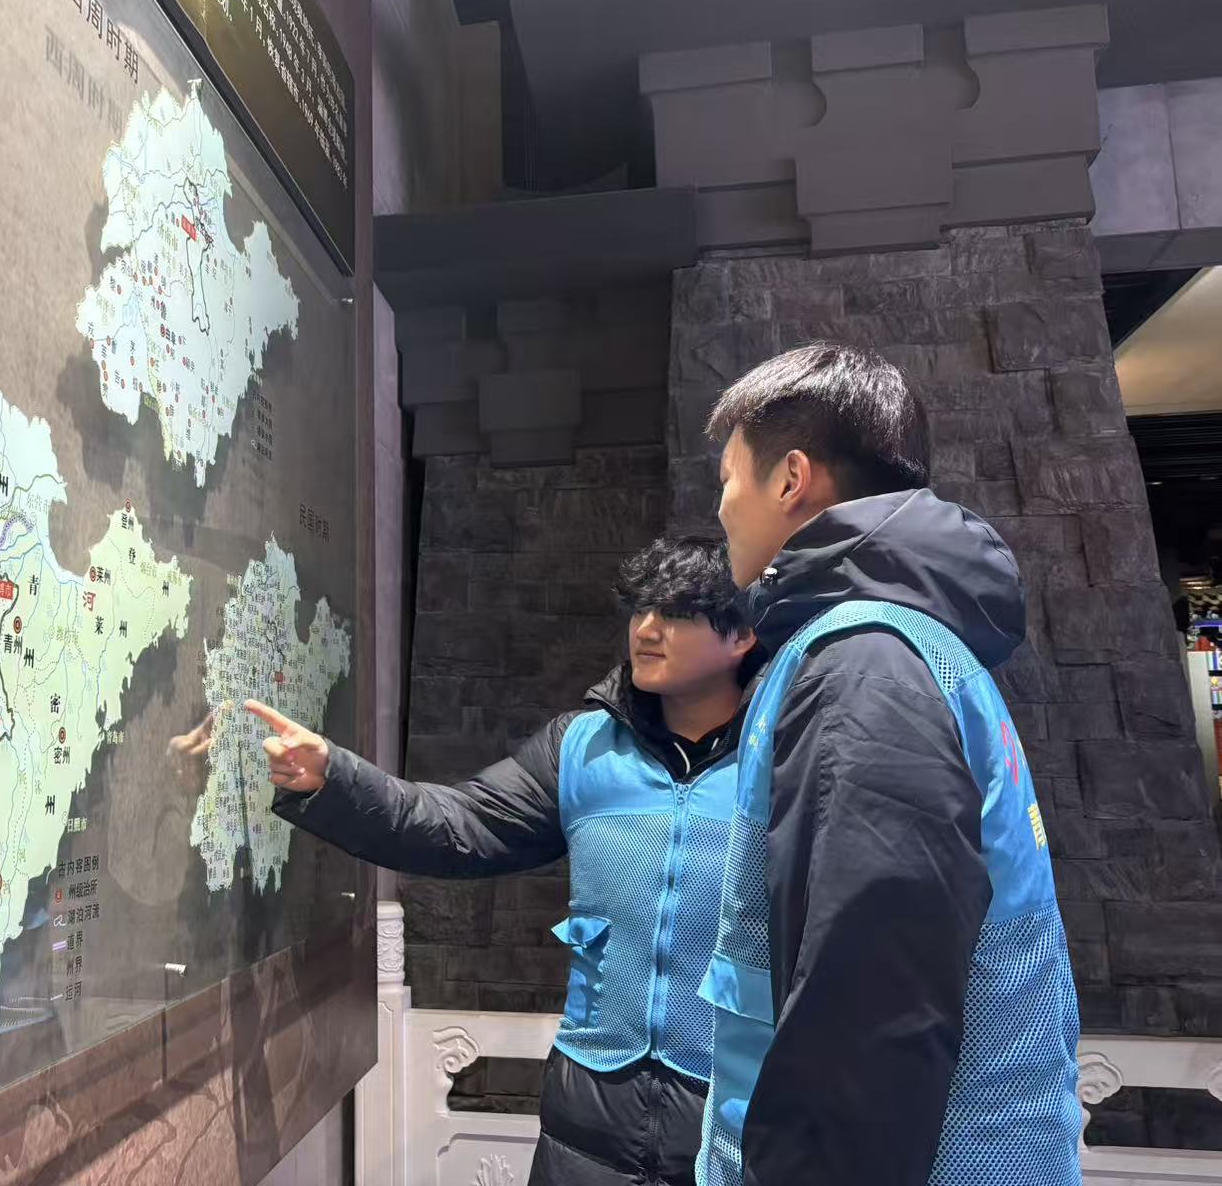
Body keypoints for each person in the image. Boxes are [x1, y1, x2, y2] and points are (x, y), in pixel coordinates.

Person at [243, 538, 761, 1186]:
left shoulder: (785, 755)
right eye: (639, 608)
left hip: (735, 1117)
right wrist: (333, 779)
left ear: (742, 635)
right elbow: (459, 824)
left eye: (677, 613)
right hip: (588, 1112)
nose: (646, 630)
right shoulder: (581, 748)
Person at [698, 343, 1082, 1186]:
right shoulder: (910, 648)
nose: (720, 506)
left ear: (790, 479)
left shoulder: (862, 666)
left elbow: (864, 1028)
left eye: (727, 478)